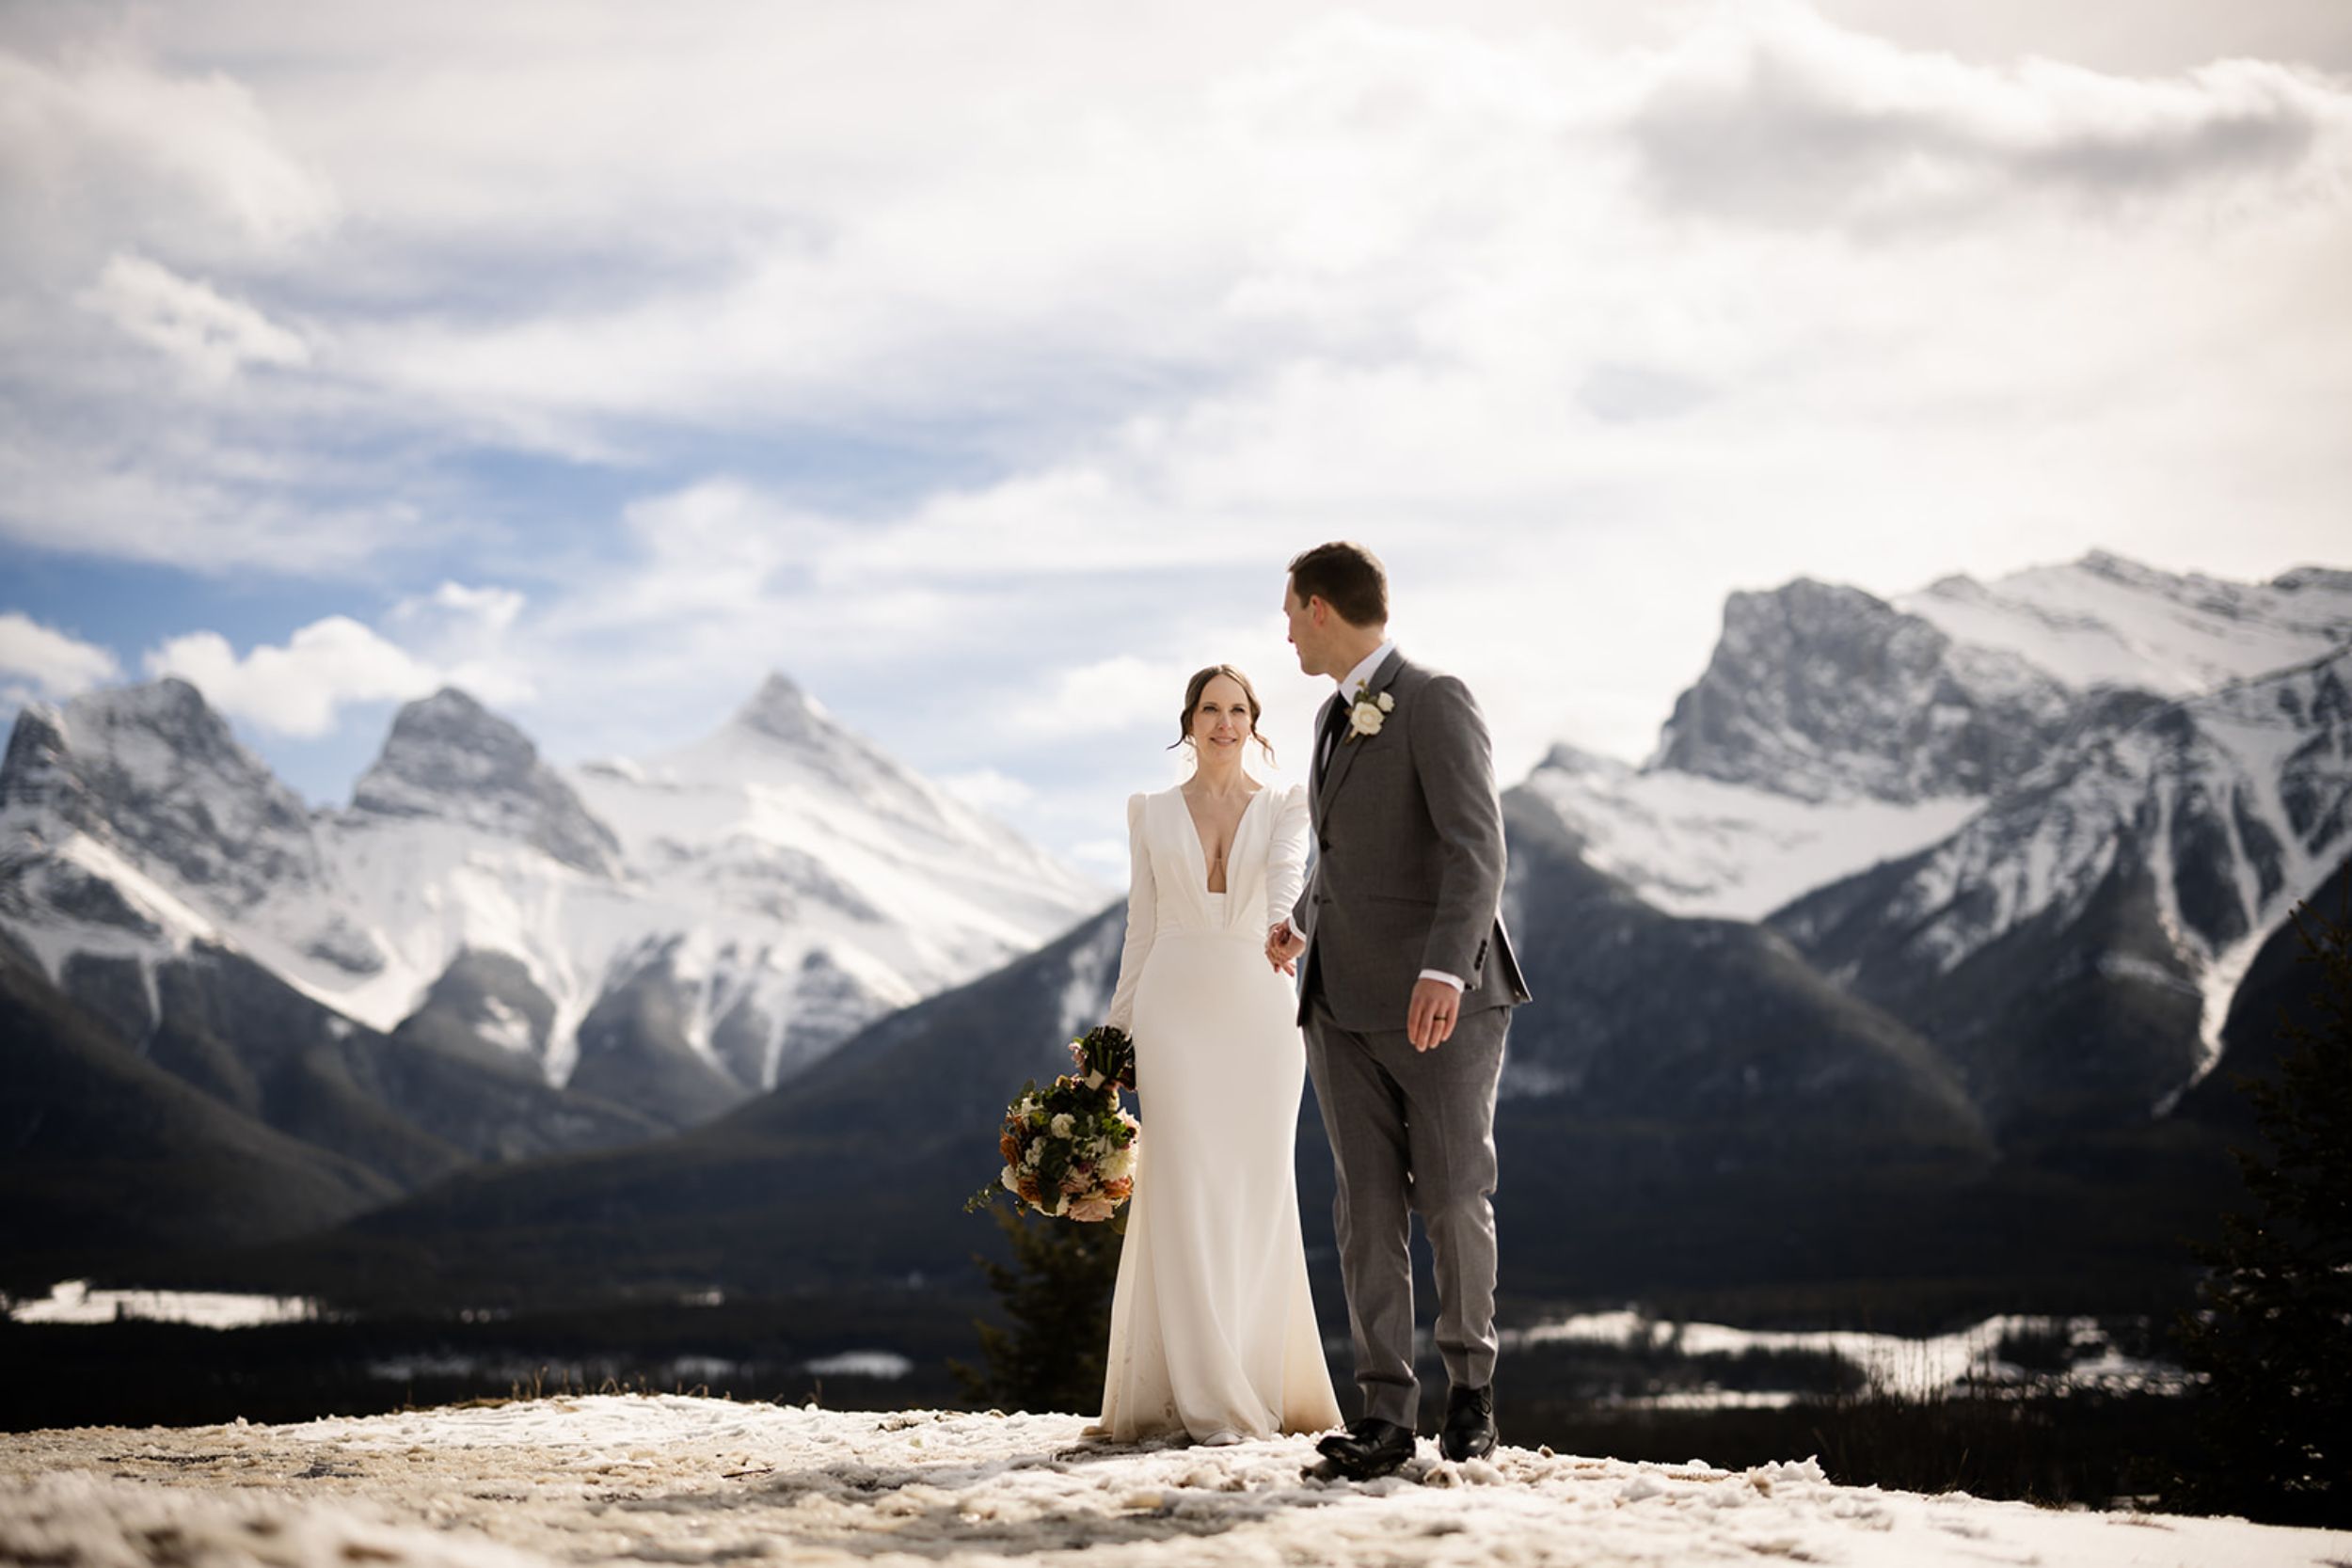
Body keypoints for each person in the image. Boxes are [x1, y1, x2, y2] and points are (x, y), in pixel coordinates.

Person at [1266, 541, 1532, 1480]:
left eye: (1290, 613)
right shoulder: (1328, 717)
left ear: (1321, 608)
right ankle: (1384, 1412)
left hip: (1440, 1002)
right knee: (1365, 1208)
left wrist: (1446, 970)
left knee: (1454, 1196)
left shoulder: (1434, 698)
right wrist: (1301, 919)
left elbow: (1476, 848)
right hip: (1337, 1001)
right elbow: (1341, 852)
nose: (1286, 634)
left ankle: (1471, 1391)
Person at [1092, 664, 1345, 1446]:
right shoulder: (1149, 811)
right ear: (1189, 721)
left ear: (1254, 723)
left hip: (1262, 1008)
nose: (1224, 722)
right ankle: (1202, 1392)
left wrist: (1282, 927)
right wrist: (1114, 1035)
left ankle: (1261, 1377)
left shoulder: (1286, 803)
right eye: (1210, 708)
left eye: (1238, 709)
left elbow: (1288, 878)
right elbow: (1141, 928)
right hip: (1172, 1010)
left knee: (1259, 1189)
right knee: (1182, 1188)